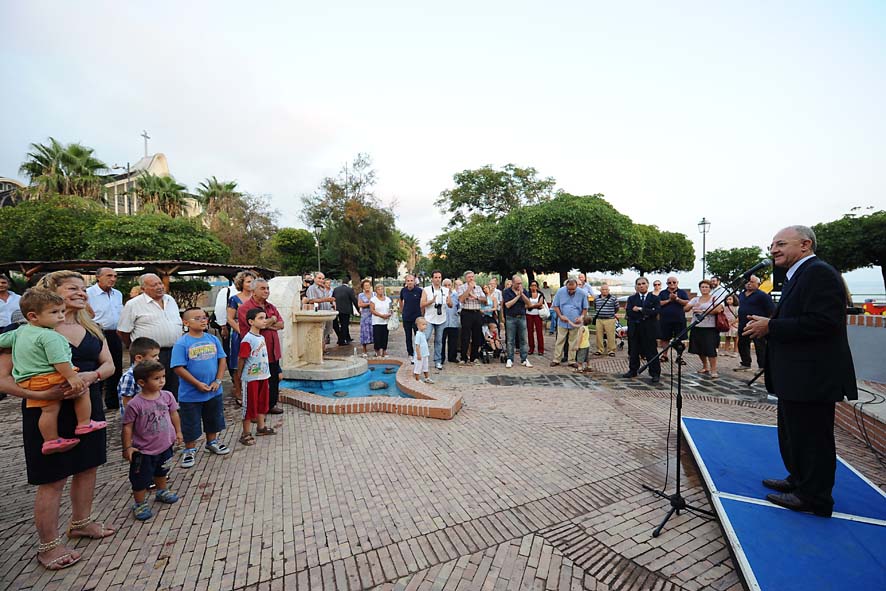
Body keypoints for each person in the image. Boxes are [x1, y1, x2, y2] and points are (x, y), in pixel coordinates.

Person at [0, 270, 115, 571]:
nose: (81, 292)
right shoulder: (28, 330)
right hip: (45, 411)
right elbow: (2, 379)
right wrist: (42, 392)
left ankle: (81, 522)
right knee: (52, 479)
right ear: (51, 294)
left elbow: (109, 365)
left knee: (88, 467)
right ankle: (48, 545)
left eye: (83, 288)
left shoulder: (93, 328)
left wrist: (91, 376)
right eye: (72, 288)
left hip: (87, 407)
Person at [744, 225, 857, 518]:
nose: (773, 250)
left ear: (805, 245)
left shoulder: (819, 273)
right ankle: (799, 480)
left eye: (781, 244)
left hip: (813, 376)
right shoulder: (799, 275)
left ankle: (815, 497)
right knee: (795, 435)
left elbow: (824, 322)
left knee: (813, 438)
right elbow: (800, 318)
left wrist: (771, 326)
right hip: (797, 376)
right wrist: (770, 323)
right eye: (771, 245)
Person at [0, 289, 104, 454]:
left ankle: (50, 440)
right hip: (50, 377)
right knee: (82, 390)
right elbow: (59, 361)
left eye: (62, 311)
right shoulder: (50, 336)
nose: (61, 316)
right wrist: (72, 377)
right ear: (33, 316)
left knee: (49, 410)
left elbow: (1, 341)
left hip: (30, 380)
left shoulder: (19, 331)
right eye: (55, 312)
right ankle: (84, 423)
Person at [121, 359, 183, 520]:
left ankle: (162, 491)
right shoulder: (135, 404)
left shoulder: (167, 396)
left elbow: (174, 414)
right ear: (142, 382)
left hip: (165, 445)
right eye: (156, 378)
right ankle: (140, 503)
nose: (162, 381)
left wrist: (178, 432)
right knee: (140, 478)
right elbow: (127, 426)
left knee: (162, 470)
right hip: (144, 450)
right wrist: (127, 447)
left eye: (163, 377)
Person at [171, 307, 229, 469]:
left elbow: (222, 360)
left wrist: (218, 380)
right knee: (190, 422)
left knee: (213, 418)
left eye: (204, 317)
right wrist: (197, 384)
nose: (203, 320)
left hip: (213, 390)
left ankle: (212, 441)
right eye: (197, 318)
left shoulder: (212, 339)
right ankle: (189, 449)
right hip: (191, 394)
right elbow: (178, 367)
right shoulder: (182, 343)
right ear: (186, 322)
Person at [117, 273, 182, 398]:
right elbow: (123, 331)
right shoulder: (133, 304)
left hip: (173, 352)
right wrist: (135, 347)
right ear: (143, 289)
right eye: (154, 285)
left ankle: (172, 414)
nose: (159, 287)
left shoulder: (170, 300)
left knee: (173, 388)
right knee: (150, 389)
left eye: (160, 283)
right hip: (148, 356)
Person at [237, 279, 285, 415]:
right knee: (256, 383)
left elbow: (282, 325)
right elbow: (254, 327)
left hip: (272, 351)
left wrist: (265, 324)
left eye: (268, 288)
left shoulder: (270, 306)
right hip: (255, 353)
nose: (266, 291)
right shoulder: (245, 308)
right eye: (263, 288)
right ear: (254, 291)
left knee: (273, 380)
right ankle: (254, 411)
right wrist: (272, 320)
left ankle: (271, 405)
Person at [236, 308, 276, 446]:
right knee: (249, 405)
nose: (264, 320)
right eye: (260, 318)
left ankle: (261, 427)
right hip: (251, 378)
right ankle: (245, 433)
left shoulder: (261, 337)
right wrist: (239, 375)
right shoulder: (248, 339)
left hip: (263, 376)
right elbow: (241, 358)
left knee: (262, 402)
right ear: (251, 321)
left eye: (265, 318)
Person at [86, 268, 124, 409]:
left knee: (116, 368)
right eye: (109, 276)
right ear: (98, 277)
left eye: (115, 276)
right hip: (96, 333)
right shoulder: (88, 294)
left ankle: (113, 402)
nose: (113, 279)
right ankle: (95, 402)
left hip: (114, 334)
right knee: (98, 367)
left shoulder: (117, 294)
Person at [622, 277, 661, 383]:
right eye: (639, 284)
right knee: (634, 351)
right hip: (635, 328)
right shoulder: (631, 299)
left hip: (649, 329)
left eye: (643, 283)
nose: (641, 286)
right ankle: (633, 370)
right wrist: (646, 312)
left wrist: (641, 309)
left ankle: (655, 373)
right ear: (636, 286)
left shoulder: (654, 298)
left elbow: (656, 311)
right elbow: (630, 312)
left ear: (648, 285)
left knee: (651, 351)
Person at [226, 271, 257, 403]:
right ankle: (238, 392)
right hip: (239, 335)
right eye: (248, 281)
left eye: (252, 281)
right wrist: (241, 331)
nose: (251, 284)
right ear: (241, 283)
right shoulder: (234, 299)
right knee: (238, 363)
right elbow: (230, 318)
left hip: (255, 334)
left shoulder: (256, 299)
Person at [734, 275, 774, 372]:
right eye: (747, 282)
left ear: (758, 284)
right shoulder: (742, 294)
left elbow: (772, 310)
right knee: (742, 344)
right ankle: (745, 363)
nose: (748, 284)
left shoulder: (763, 295)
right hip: (743, 324)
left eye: (752, 282)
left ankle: (762, 367)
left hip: (757, 325)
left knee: (760, 346)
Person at [684, 280, 724, 378]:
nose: (704, 289)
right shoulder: (696, 299)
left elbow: (719, 309)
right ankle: (705, 366)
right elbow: (685, 308)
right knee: (699, 349)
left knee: (710, 349)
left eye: (706, 287)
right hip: (697, 327)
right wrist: (691, 306)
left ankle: (713, 369)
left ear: (710, 288)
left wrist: (703, 310)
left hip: (710, 328)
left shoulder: (714, 298)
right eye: (702, 287)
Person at [117, 337, 161, 414]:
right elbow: (127, 400)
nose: (158, 358)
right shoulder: (129, 377)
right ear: (139, 358)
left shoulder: (152, 373)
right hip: (136, 418)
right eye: (154, 356)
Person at [550, 279, 587, 368]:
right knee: (560, 340)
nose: (570, 291)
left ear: (576, 286)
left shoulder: (582, 293)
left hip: (575, 321)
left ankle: (571, 360)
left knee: (573, 341)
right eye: (569, 289)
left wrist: (581, 317)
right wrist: (560, 315)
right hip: (562, 321)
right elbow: (556, 305)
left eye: (573, 289)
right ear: (566, 286)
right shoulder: (560, 291)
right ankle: (556, 359)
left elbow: (585, 308)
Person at [421, 270, 452, 371]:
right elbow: (421, 304)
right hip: (429, 318)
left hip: (441, 318)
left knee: (439, 340)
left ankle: (437, 361)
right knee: (425, 338)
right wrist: (431, 301)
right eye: (436, 277)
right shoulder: (426, 290)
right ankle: (421, 359)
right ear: (432, 279)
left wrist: (449, 302)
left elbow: (450, 305)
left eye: (439, 277)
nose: (438, 279)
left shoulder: (446, 290)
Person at [501, 275, 533, 368]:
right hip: (510, 317)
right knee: (510, 340)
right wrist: (517, 296)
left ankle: (524, 359)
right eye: (518, 283)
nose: (520, 285)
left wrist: (522, 294)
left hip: (522, 317)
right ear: (513, 283)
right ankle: (510, 359)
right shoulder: (507, 292)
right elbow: (507, 305)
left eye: (521, 283)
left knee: (523, 339)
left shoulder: (524, 291)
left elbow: (529, 304)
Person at [457, 271, 487, 365]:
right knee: (465, 336)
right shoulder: (462, 288)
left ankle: (474, 357)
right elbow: (461, 299)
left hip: (477, 313)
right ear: (465, 278)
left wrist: (476, 297)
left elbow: (485, 300)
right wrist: (469, 289)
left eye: (472, 277)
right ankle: (464, 357)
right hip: (466, 312)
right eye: (469, 277)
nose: (471, 279)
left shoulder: (478, 288)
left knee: (477, 335)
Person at [657, 277, 690, 361]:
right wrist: (669, 300)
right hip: (665, 320)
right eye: (670, 282)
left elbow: (686, 302)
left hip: (679, 320)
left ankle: (679, 356)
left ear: (677, 283)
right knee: (664, 338)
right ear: (667, 284)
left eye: (674, 282)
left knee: (679, 338)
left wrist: (677, 299)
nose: (672, 284)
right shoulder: (662, 293)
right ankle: (664, 355)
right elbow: (658, 303)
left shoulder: (682, 292)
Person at [305, 272, 336, 349]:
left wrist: (331, 302)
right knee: (319, 334)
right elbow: (311, 300)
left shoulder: (324, 288)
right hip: (318, 313)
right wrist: (325, 299)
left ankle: (323, 350)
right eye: (319, 278)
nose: (321, 280)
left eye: (323, 279)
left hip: (327, 313)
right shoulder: (312, 288)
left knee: (325, 334)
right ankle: (319, 352)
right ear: (314, 279)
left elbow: (326, 299)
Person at [398, 274, 422, 363]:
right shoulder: (403, 291)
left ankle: (418, 353)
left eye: (411, 280)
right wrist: (402, 311)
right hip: (406, 317)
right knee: (408, 337)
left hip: (417, 318)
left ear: (414, 281)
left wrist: (422, 314)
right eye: (408, 281)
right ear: (406, 282)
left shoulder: (419, 291)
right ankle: (410, 354)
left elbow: (422, 302)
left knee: (418, 337)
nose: (410, 282)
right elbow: (400, 300)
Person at [592, 284, 619, 357]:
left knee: (611, 335)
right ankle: (599, 350)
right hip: (599, 319)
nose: (604, 291)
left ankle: (611, 350)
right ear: (600, 290)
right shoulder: (596, 298)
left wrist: (610, 313)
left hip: (610, 319)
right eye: (603, 289)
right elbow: (595, 307)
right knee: (598, 335)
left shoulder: (613, 298)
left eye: (606, 289)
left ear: (609, 290)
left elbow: (616, 308)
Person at [333, 280, 359, 346]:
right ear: (348, 282)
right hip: (346, 310)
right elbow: (354, 300)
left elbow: (332, 298)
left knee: (342, 324)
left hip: (337, 309)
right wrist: (358, 309)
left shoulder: (336, 289)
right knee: (344, 325)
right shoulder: (349, 290)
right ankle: (342, 340)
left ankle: (347, 338)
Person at [370, 284, 393, 358]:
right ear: (376, 290)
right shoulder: (373, 299)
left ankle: (384, 350)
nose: (380, 290)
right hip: (377, 321)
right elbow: (372, 310)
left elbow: (391, 308)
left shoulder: (388, 299)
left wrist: (389, 314)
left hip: (386, 321)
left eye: (382, 289)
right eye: (378, 289)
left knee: (385, 336)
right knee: (377, 337)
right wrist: (381, 315)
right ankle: (377, 351)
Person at [441, 278, 461, 363]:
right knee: (441, 341)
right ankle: (441, 358)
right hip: (442, 322)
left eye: (449, 285)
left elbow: (459, 307)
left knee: (453, 341)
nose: (447, 287)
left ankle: (452, 357)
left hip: (453, 321)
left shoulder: (456, 295)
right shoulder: (439, 294)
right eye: (445, 285)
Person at [525, 281, 546, 356]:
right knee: (530, 332)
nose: (533, 287)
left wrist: (531, 305)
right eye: (532, 285)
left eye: (535, 285)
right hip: (529, 315)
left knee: (539, 332)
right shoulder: (527, 294)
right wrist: (535, 305)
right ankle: (531, 348)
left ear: (537, 287)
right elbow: (526, 305)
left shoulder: (540, 295)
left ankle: (541, 349)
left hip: (538, 315)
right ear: (530, 287)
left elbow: (540, 304)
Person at [413, 318, 434, 383]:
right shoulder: (418, 335)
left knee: (425, 366)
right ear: (418, 325)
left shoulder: (423, 334)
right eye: (423, 324)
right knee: (418, 367)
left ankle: (427, 377)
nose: (425, 326)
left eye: (425, 324)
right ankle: (417, 378)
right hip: (420, 355)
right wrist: (418, 354)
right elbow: (417, 345)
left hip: (425, 354)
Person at [357, 279, 374, 357]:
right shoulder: (361, 295)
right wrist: (368, 304)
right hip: (365, 316)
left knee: (374, 332)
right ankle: (364, 351)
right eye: (365, 285)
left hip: (373, 315)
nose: (367, 287)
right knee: (364, 332)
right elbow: (360, 304)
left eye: (368, 285)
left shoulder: (374, 294)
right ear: (363, 287)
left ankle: (376, 350)